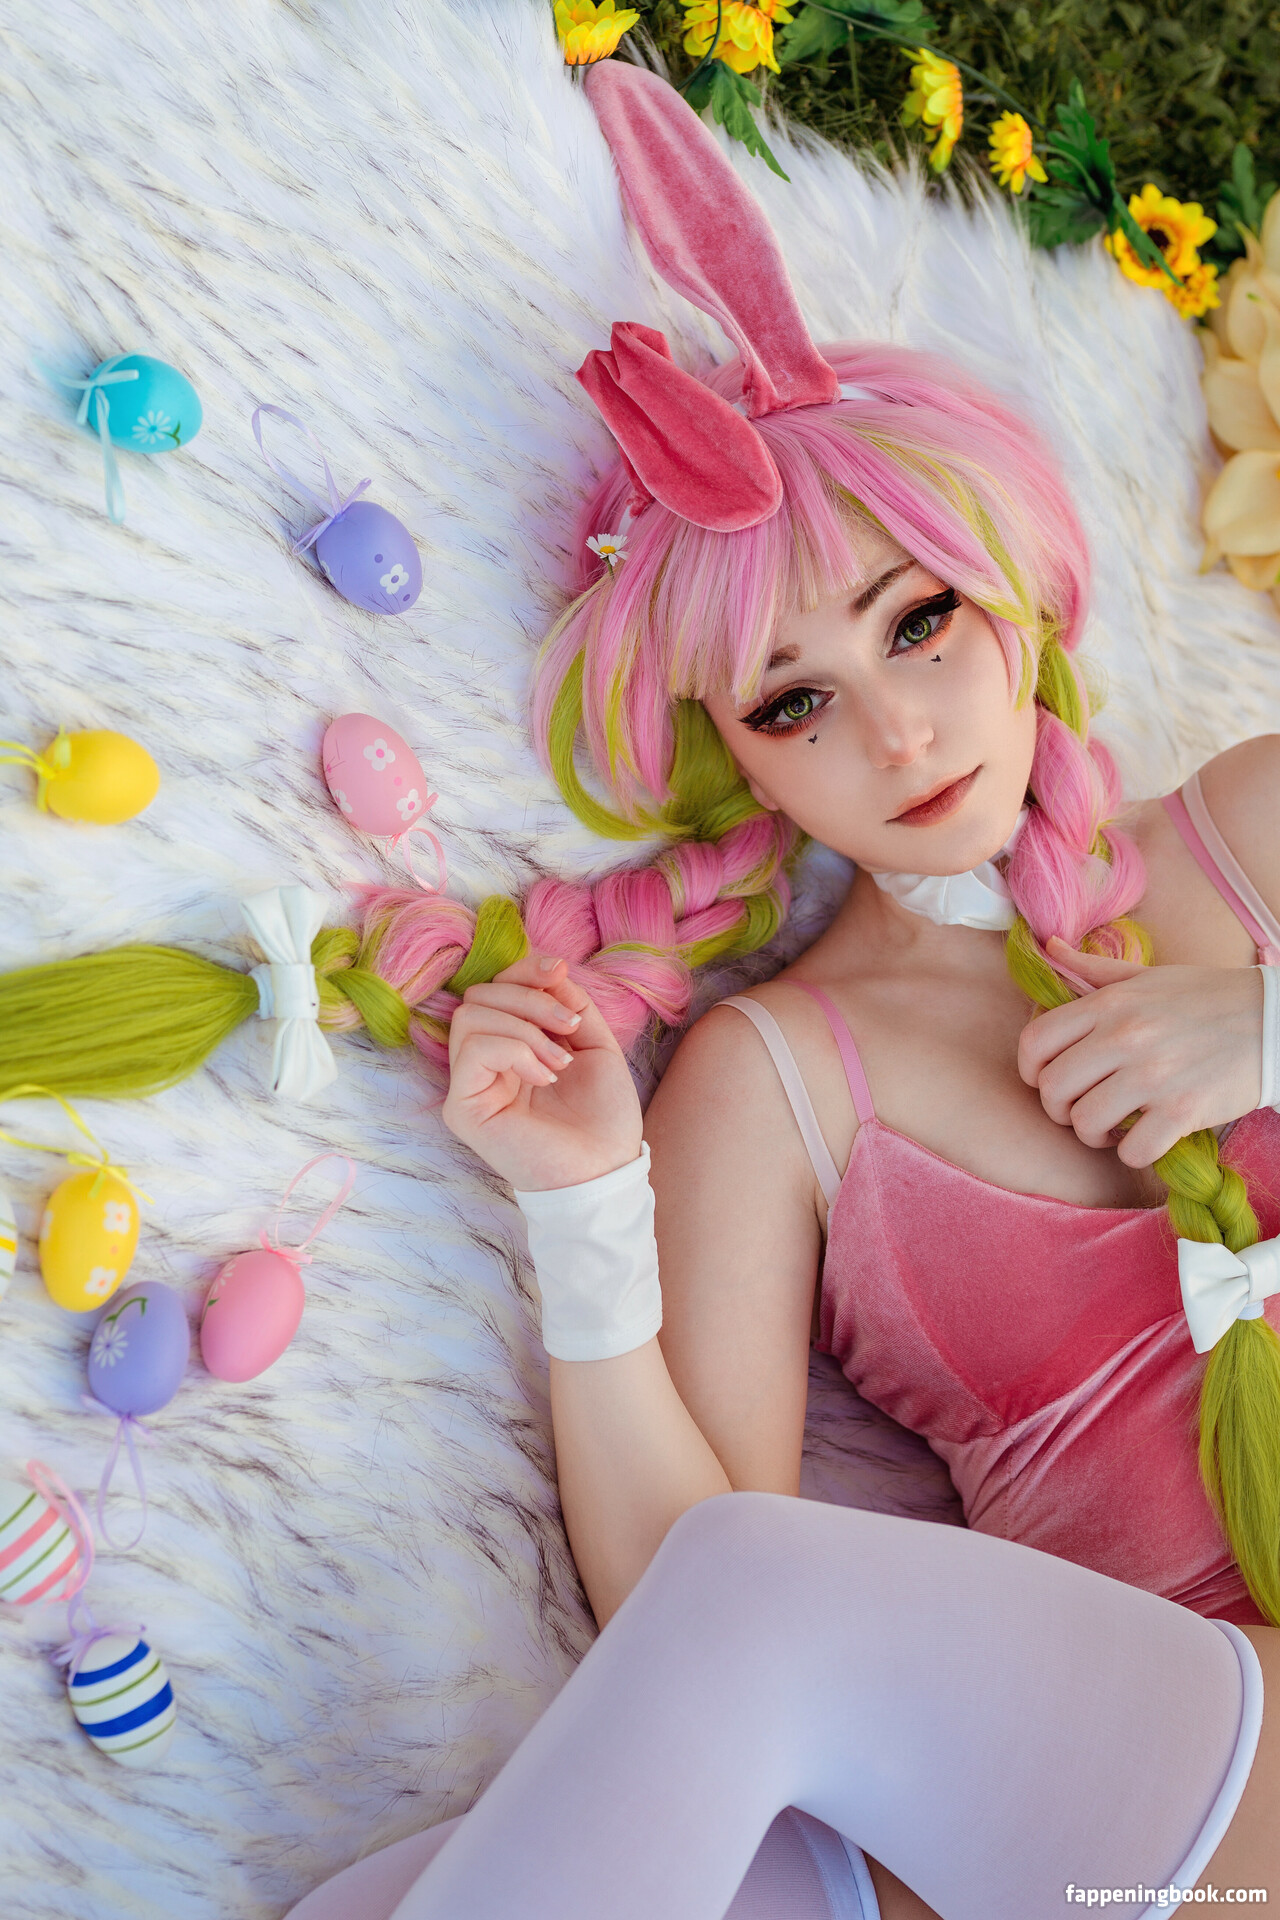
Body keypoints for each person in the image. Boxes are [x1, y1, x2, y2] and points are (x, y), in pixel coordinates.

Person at [285, 61, 1280, 1920]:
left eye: (921, 619)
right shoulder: (768, 1077)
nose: (896, 730)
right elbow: (689, 1612)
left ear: (1013, 586)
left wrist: (1269, 1029)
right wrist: (584, 1205)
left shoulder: (1248, 834)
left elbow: (757, 1611)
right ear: (734, 756)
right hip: (1082, 1835)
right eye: (796, 698)